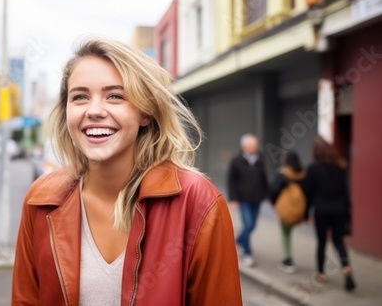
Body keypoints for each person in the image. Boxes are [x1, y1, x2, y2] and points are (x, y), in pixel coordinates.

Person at [12, 38, 242, 305]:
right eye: (80, 97)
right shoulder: (41, 199)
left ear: (145, 113)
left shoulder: (199, 203)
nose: (94, 111)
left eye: (115, 96)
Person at [303, 136, 356, 291]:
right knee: (339, 242)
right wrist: (348, 212)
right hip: (339, 209)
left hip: (321, 210)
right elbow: (345, 191)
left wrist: (306, 214)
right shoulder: (340, 166)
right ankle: (346, 267)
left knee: (321, 242)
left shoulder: (313, 168)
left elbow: (308, 193)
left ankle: (321, 273)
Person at [227, 133, 269, 267]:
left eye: (255, 145)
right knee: (248, 225)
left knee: (253, 225)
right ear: (244, 146)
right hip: (243, 198)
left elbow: (264, 178)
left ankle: (239, 240)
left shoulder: (260, 159)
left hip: (257, 198)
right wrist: (233, 199)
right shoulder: (236, 160)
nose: (255, 147)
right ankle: (247, 253)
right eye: (252, 145)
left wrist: (267, 194)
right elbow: (231, 181)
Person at [269, 150, 307, 273]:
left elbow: (273, 190)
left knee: (285, 234)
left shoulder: (282, 174)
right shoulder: (302, 174)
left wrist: (273, 204)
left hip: (286, 210)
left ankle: (288, 260)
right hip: (298, 210)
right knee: (289, 232)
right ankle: (288, 258)